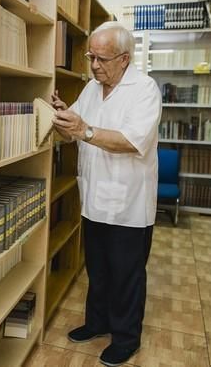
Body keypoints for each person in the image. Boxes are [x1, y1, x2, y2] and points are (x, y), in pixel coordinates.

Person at [51, 21, 161, 366]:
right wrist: (64, 117)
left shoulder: (144, 89)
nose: (95, 65)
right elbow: (79, 128)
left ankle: (126, 338)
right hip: (94, 199)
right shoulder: (91, 88)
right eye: (90, 57)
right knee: (97, 270)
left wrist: (84, 129)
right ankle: (97, 323)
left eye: (102, 58)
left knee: (126, 274)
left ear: (124, 59)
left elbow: (131, 140)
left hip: (129, 205)